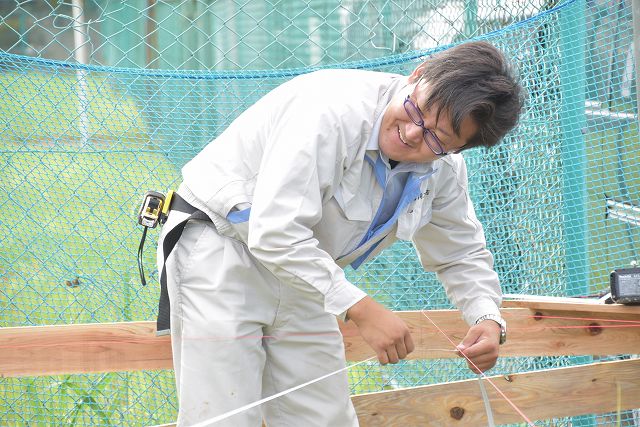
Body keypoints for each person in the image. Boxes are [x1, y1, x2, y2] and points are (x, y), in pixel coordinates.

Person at [156, 40, 523, 426]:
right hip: (222, 247)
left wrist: (486, 316)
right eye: (417, 109)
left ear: (459, 148)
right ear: (418, 75)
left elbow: (460, 253)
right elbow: (275, 232)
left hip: (305, 270)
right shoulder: (331, 110)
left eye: (437, 138)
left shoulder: (444, 171)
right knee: (224, 416)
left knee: (323, 417)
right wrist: (361, 309)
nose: (414, 133)